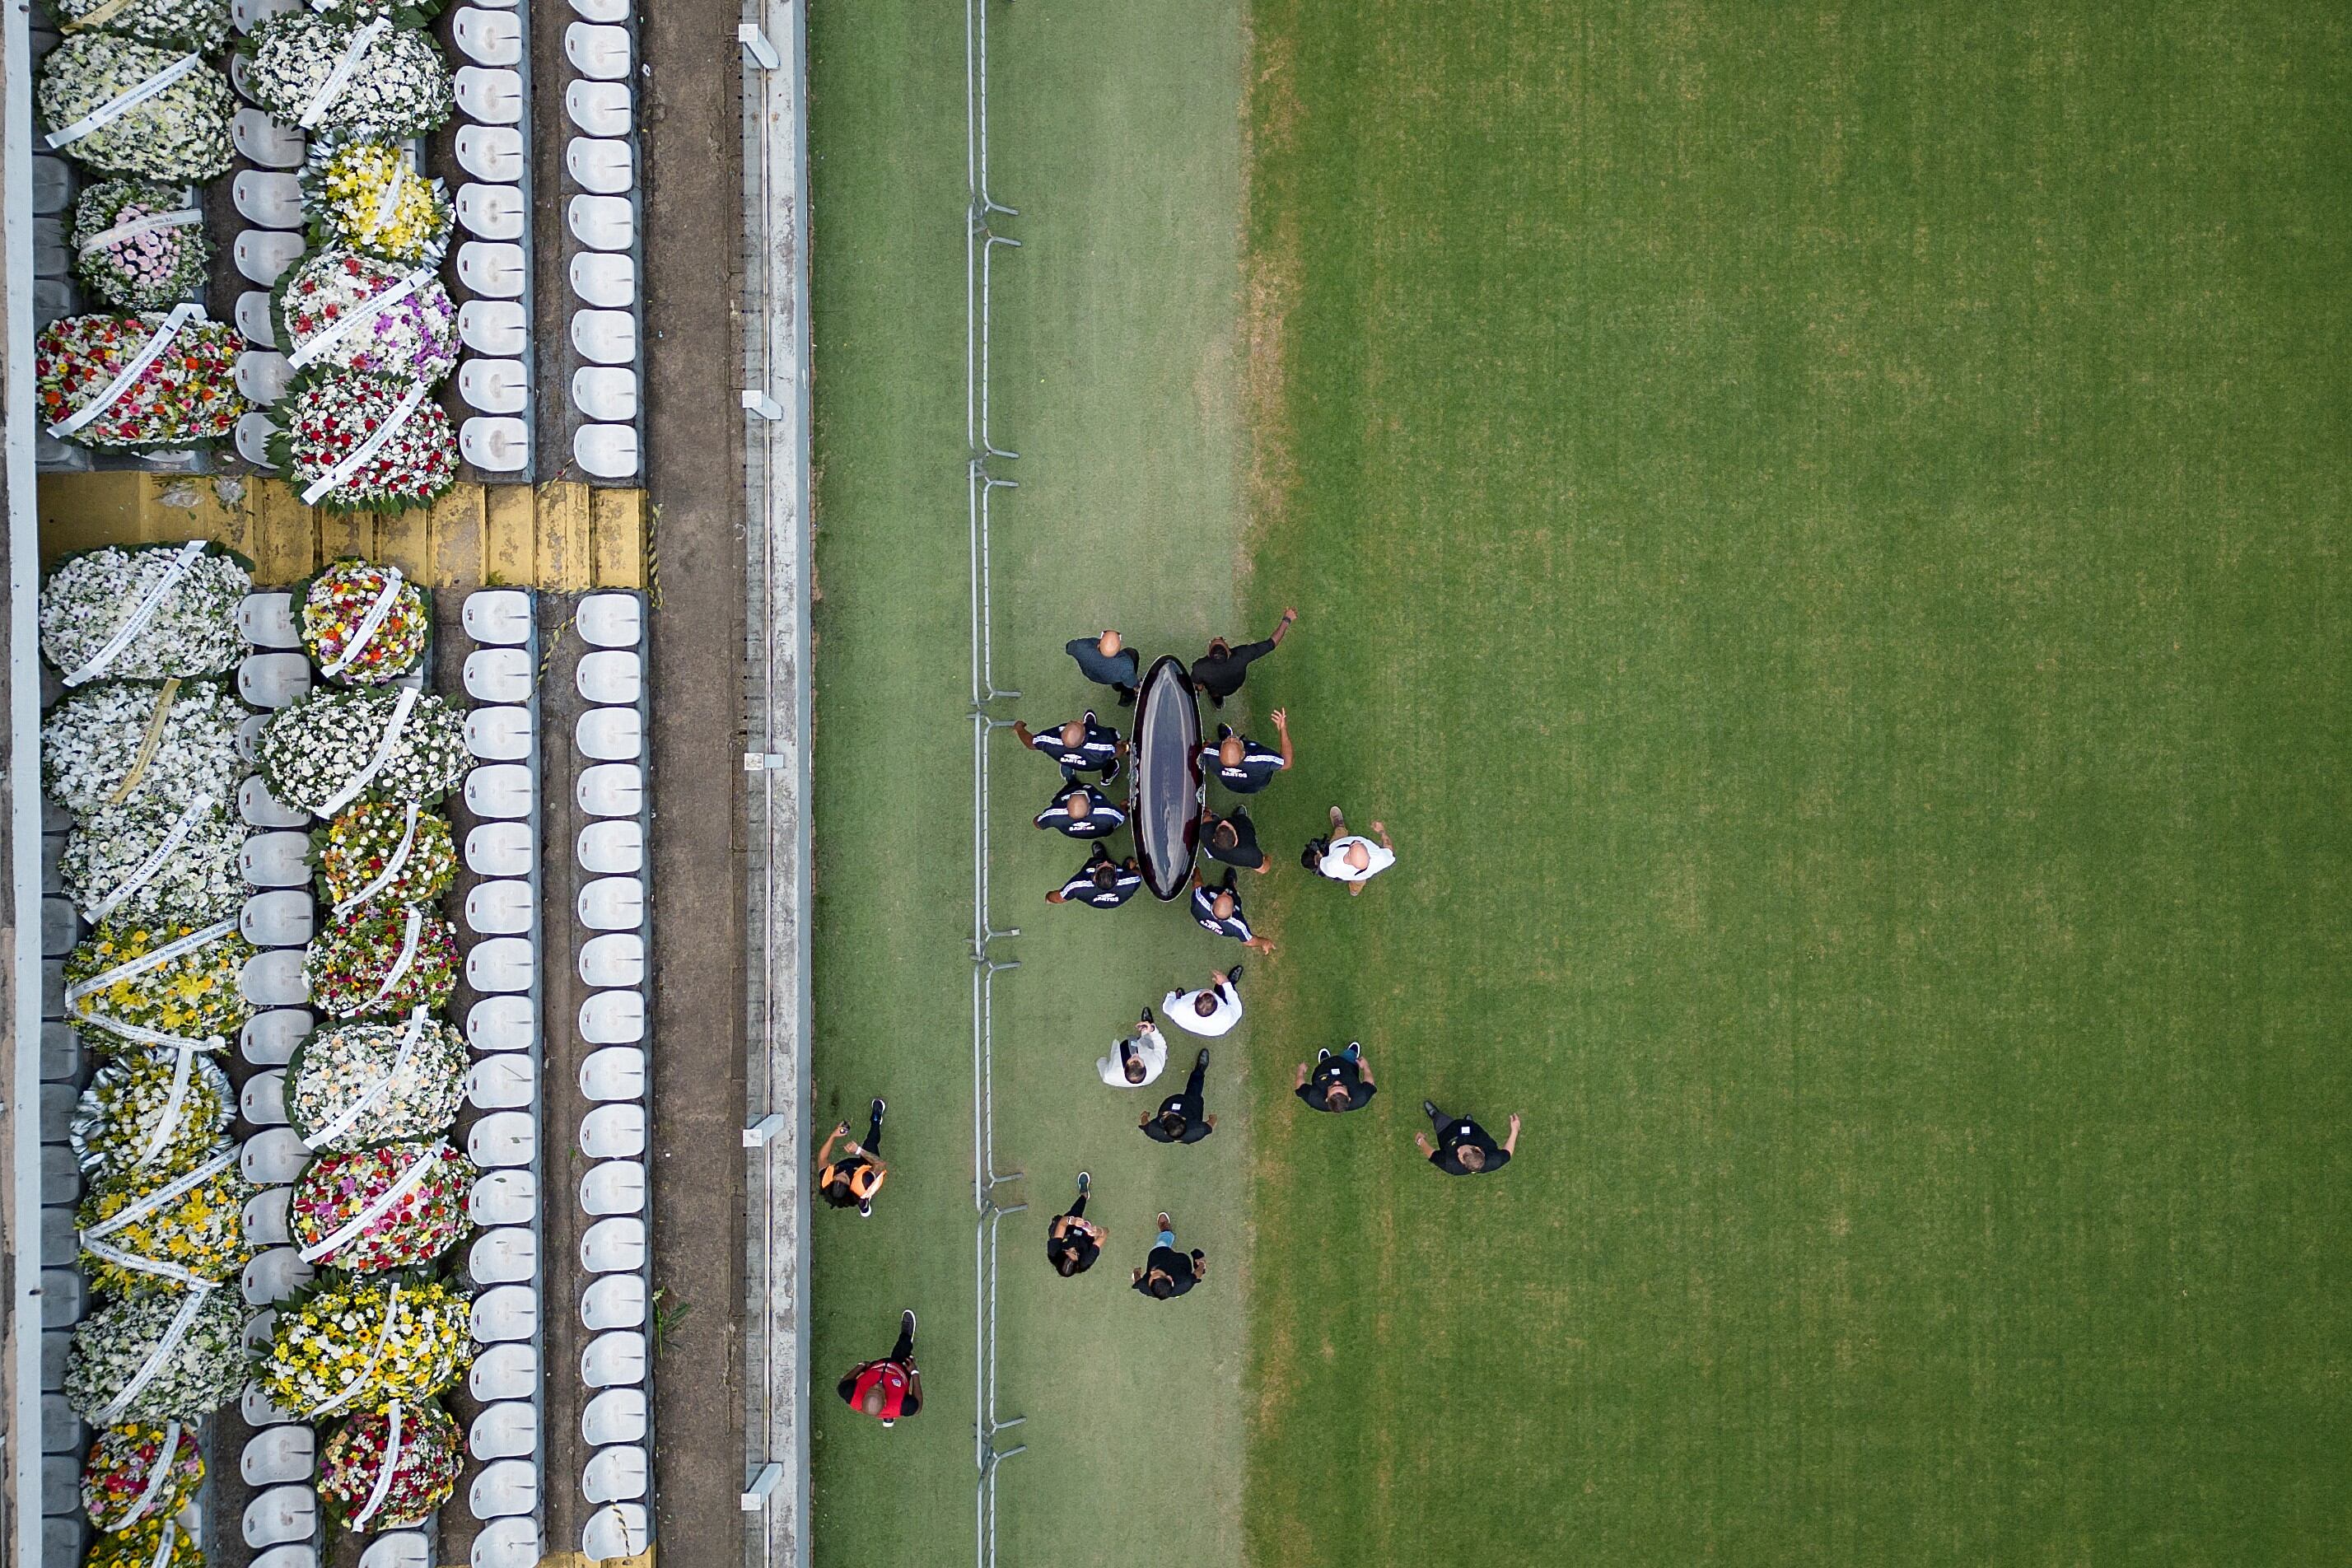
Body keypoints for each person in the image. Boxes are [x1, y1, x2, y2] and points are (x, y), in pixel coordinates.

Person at [1190, 608, 1297, 707]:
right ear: (1229, 652)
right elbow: (1271, 644)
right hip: (1234, 686)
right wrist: (1286, 620)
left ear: (1209, 655)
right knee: (1218, 690)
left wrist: (1200, 685)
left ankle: (1218, 702)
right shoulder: (1243, 655)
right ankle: (1218, 703)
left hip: (1217, 690)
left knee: (1215, 693)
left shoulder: (1200, 667)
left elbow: (1199, 687)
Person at [837, 1310, 922, 1426]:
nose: (877, 1385)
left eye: (871, 1389)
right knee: (902, 1351)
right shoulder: (902, 1405)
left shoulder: (850, 1393)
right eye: (878, 1390)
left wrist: (860, 1366)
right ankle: (906, 1335)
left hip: (877, 1366)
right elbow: (918, 1408)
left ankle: (886, 1415)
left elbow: (844, 1383)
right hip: (899, 1370)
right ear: (886, 1401)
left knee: (883, 1406)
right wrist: (914, 1373)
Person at [815, 1099, 889, 1217]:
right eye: (845, 1179)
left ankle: (862, 1203)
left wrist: (833, 1135)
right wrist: (858, 1150)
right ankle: (876, 1118)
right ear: (850, 1185)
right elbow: (881, 1164)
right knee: (870, 1144)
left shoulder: (826, 1179)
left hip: (855, 1167)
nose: (842, 1174)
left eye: (837, 1177)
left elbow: (822, 1158)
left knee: (855, 1192)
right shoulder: (862, 1183)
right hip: (871, 1169)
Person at [1302, 805, 1395, 894]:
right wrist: (1382, 831)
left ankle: (1340, 826)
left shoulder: (1332, 865)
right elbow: (1389, 848)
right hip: (1360, 875)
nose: (1356, 841)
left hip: (1338, 845)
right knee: (1359, 882)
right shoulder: (1379, 858)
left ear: (1349, 853)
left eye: (1354, 843)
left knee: (1340, 834)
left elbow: (1320, 863)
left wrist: (1318, 855)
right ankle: (1355, 891)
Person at [1200, 709, 1292, 794]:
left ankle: (1228, 744)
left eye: (1227, 741)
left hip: (1231, 785)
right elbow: (1287, 763)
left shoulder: (1210, 755)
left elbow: (1205, 748)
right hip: (1256, 785)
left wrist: (1208, 743)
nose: (1232, 738)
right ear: (1244, 753)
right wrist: (1283, 729)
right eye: (1236, 742)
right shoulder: (1261, 760)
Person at [1416, 1101, 1521, 1174]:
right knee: (1469, 1124)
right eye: (1463, 1149)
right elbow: (1508, 1153)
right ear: (1478, 1149)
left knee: (1440, 1120)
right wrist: (1514, 1130)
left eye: (1459, 1155)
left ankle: (1436, 1115)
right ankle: (1468, 1122)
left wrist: (1421, 1141)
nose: (1458, 1149)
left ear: (1463, 1164)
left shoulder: (1450, 1164)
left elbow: (1431, 1154)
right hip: (1473, 1131)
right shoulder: (1494, 1160)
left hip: (1447, 1131)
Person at [1189, 868, 1276, 955]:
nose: (1224, 893)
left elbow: (1197, 884)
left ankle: (1229, 884)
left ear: (1213, 904)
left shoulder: (1200, 900)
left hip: (1201, 918)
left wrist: (1196, 871)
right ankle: (1230, 884)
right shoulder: (1238, 927)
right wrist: (1264, 942)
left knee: (1216, 890)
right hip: (1220, 927)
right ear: (1232, 912)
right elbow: (1249, 941)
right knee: (1232, 892)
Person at [1139, 1048, 1216, 1144]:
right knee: (1195, 1089)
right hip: (1192, 1108)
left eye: (1165, 1115)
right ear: (1183, 1118)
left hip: (1170, 1102)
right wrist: (1212, 1117)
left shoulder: (1154, 1131)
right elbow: (1211, 1124)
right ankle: (1200, 1069)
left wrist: (1144, 1116)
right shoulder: (1197, 1130)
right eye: (1170, 1113)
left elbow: (1145, 1123)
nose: (1167, 1112)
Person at [1015, 712, 1122, 780]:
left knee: (1066, 759)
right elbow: (1116, 751)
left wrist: (1019, 729)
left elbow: (1030, 743)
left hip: (1068, 760)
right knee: (1108, 761)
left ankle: (1069, 772)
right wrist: (1126, 747)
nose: (1079, 721)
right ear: (1084, 738)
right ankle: (1107, 778)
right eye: (1080, 724)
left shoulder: (1048, 740)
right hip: (1094, 765)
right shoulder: (1101, 746)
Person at [1131, 1213, 1207, 1300]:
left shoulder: (1144, 1287)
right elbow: (1197, 1275)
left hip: (1159, 1256)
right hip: (1182, 1265)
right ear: (1169, 1278)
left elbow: (1137, 1280)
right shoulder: (1185, 1283)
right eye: (1156, 1273)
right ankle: (1176, 1294)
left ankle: (1166, 1231)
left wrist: (1136, 1272)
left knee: (1162, 1243)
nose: (1151, 1271)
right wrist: (1201, 1264)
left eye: (1151, 1275)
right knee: (1181, 1288)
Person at [1046, 1173, 1106, 1276]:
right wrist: (1098, 1232)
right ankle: (1087, 1229)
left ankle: (1084, 1195)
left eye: (1068, 1251)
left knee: (1073, 1214)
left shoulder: (1054, 1251)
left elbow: (1062, 1224)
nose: (1073, 1249)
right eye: (1075, 1254)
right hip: (1086, 1241)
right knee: (1094, 1235)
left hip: (1068, 1233)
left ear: (1061, 1254)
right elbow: (1106, 1233)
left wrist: (1072, 1221)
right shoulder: (1085, 1261)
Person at [1048, 843, 1145, 908]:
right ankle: (1125, 867)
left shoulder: (1077, 886)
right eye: (1107, 865)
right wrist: (1131, 868)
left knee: (1096, 862)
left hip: (1095, 901)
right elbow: (1138, 873)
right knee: (1129, 864)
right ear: (1116, 878)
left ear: (1094, 877)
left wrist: (1048, 898)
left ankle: (1100, 857)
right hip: (1117, 901)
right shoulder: (1132, 881)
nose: (1106, 862)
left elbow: (1059, 898)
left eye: (1102, 866)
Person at [1295, 1041, 1377, 1113]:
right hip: (1347, 1065)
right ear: (1349, 1098)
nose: (1337, 1082)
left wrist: (1300, 1071)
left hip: (1324, 1070)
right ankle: (1351, 1053)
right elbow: (1370, 1083)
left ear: (1326, 1098)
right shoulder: (1361, 1097)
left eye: (1333, 1086)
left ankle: (1325, 1059)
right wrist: (1366, 1067)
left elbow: (1300, 1087)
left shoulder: (1314, 1098)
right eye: (1341, 1086)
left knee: (1326, 1062)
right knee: (1350, 1055)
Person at [1162, 966, 1244, 1037]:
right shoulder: (1226, 1017)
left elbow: (1166, 1008)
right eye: (1211, 993)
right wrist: (1226, 983)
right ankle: (1224, 987)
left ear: (1194, 1002)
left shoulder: (1178, 1008)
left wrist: (1173, 995)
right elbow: (1237, 1009)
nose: (1209, 990)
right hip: (1215, 1029)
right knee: (1225, 992)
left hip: (1190, 1019)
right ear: (1217, 1007)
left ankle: (1220, 988)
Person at [1066, 629, 1141, 706]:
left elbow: (1069, 647)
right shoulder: (1125, 665)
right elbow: (1131, 683)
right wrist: (1137, 686)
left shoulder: (1080, 647)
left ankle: (1117, 686)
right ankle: (1126, 697)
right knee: (1132, 653)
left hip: (1093, 676)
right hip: (1112, 676)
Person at [1097, 1008, 1168, 1088]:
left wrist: (1102, 1059)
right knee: (1150, 1043)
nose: (1136, 1054)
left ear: (1124, 1069)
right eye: (1139, 1058)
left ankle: (1145, 1033)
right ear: (1145, 1067)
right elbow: (1161, 1046)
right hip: (1147, 1048)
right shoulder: (1157, 1066)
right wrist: (1152, 1030)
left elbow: (1101, 1062)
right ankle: (1146, 1028)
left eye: (1132, 1058)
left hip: (1122, 1057)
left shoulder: (1109, 1075)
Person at [1034, 779, 1126, 838]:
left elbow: (1038, 824)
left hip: (1072, 833)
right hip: (1100, 831)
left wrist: (1045, 816)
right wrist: (1123, 807)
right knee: (1108, 829)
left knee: (1060, 796)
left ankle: (1072, 782)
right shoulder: (1106, 813)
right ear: (1090, 806)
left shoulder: (1053, 815)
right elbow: (1121, 818)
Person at [1201, 806, 1268, 874]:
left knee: (1213, 821)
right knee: (1242, 820)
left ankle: (1217, 821)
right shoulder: (1250, 854)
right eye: (1226, 825)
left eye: (1223, 825)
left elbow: (1206, 818)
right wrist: (1268, 858)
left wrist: (1207, 812)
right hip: (1243, 827)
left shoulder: (1205, 831)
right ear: (1236, 836)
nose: (1224, 821)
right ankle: (1239, 816)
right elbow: (1263, 869)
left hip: (1215, 852)